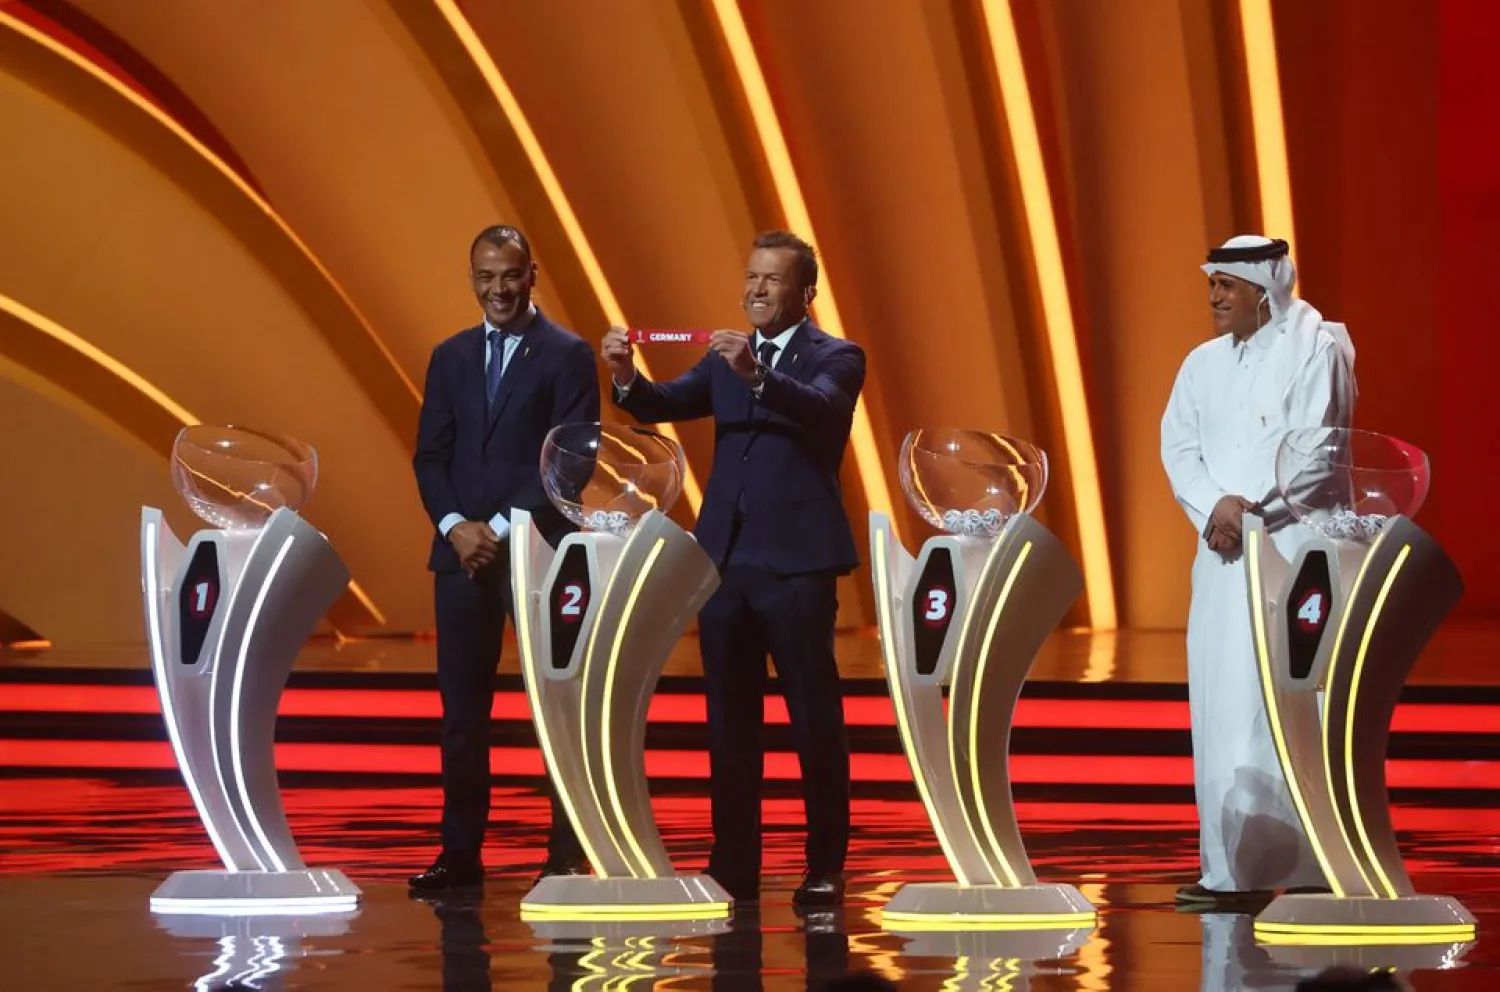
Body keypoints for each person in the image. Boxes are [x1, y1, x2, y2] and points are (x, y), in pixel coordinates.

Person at [600, 230, 863, 905]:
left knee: (813, 716)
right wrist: (627, 377)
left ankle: (824, 866)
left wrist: (760, 376)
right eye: (751, 277)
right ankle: (732, 866)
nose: (755, 289)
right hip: (723, 562)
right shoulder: (724, 359)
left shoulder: (836, 356)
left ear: (805, 294)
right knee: (730, 720)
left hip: (798, 563)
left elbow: (824, 410)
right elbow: (665, 404)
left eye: (772, 280)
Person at [1160, 234, 1357, 905]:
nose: (1214, 297)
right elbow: (1178, 444)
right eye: (1211, 284)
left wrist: (1250, 510)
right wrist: (1214, 505)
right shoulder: (1201, 363)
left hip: (1294, 552)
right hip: (1221, 557)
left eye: (1225, 285)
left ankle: (1310, 868)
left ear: (1263, 290)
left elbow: (1318, 451)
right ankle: (1230, 872)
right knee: (1222, 704)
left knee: (1292, 701)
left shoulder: (1318, 347)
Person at [410, 224, 598, 890]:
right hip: (460, 559)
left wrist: (496, 526)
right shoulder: (450, 356)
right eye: (485, 277)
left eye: (509, 276)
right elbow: (430, 455)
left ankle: (566, 852)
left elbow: (573, 458)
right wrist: (459, 526)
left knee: (555, 707)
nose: (498, 289)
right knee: (462, 715)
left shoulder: (568, 355)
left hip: (536, 555)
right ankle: (459, 854)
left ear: (531, 275)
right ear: (472, 279)